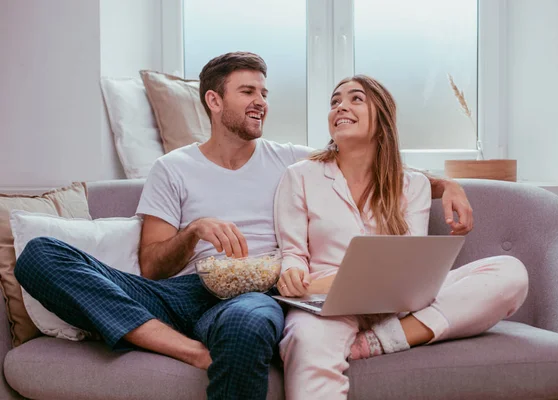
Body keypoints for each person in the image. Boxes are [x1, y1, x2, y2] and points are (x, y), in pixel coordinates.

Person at [14, 52, 472, 400]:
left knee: (250, 325)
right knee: (39, 256)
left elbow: (370, 164)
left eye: (265, 94)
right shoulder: (172, 168)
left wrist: (446, 184)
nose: (261, 103)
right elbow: (151, 266)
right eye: (248, 92)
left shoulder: (292, 160)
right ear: (214, 101)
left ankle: (161, 337)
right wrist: (194, 230)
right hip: (182, 292)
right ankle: (188, 349)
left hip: (254, 293)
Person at [274, 75, 529, 400]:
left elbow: (409, 263)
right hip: (327, 302)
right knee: (305, 341)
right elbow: (293, 253)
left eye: (355, 99)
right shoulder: (300, 176)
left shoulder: (412, 185)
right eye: (335, 101)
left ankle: (379, 342)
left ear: (382, 119)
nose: (340, 106)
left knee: (510, 273)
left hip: (397, 305)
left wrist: (451, 184)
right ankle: (372, 338)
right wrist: (292, 273)